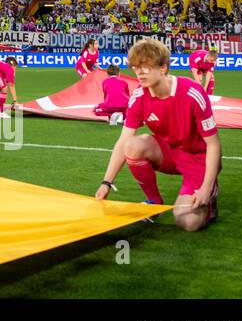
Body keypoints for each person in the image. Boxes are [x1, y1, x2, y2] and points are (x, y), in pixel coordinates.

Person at [94, 38, 220, 231]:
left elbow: (213, 144)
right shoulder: (138, 97)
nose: (139, 73)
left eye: (146, 67)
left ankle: (210, 197)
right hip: (169, 153)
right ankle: (154, 202)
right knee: (133, 146)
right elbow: (123, 142)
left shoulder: (192, 92)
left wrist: (205, 188)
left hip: (198, 158)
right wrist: (106, 183)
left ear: (163, 68)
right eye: (136, 67)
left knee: (187, 222)